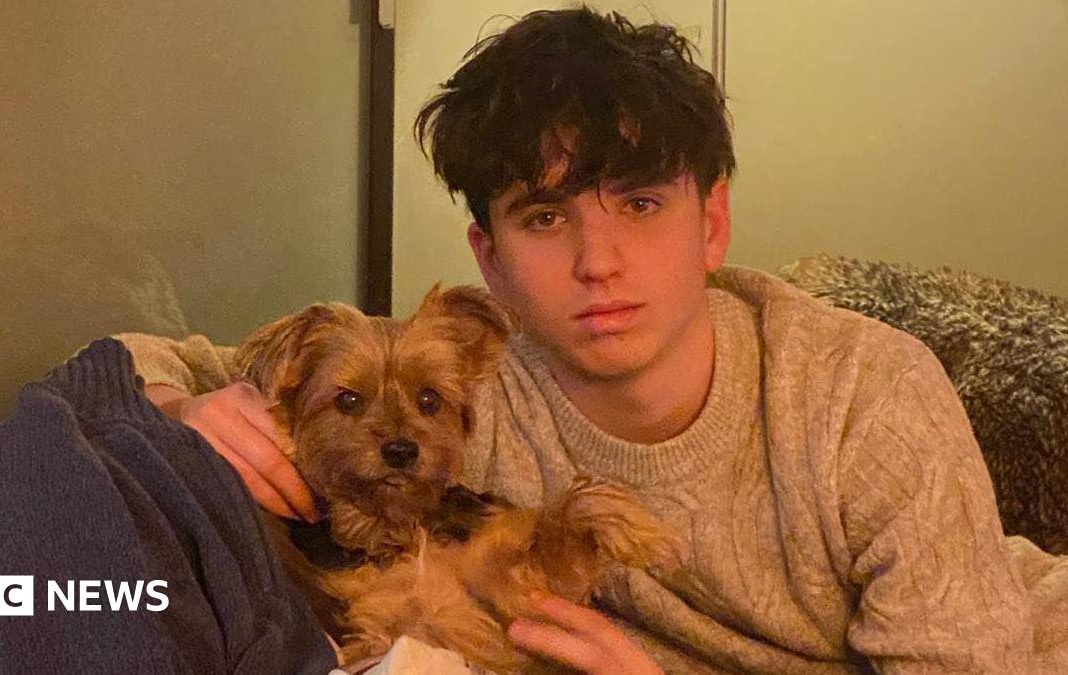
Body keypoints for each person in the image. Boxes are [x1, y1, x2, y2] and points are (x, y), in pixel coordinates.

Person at [121, 8, 1068, 673]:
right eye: (544, 217)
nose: (597, 261)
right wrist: (184, 408)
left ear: (712, 223)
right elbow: (137, 360)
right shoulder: (455, 400)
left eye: (642, 203)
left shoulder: (870, 400)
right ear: (489, 261)